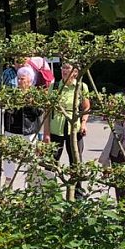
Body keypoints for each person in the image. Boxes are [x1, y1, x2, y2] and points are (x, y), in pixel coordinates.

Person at [43, 62, 91, 197]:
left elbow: (86, 107)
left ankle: (77, 195)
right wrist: (46, 134)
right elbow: (47, 111)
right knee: (50, 163)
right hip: (55, 129)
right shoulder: (54, 86)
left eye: (67, 68)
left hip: (74, 130)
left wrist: (84, 123)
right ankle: (50, 195)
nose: (64, 71)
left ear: (75, 72)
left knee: (76, 163)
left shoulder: (81, 87)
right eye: (63, 68)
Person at [1, 65, 43, 186]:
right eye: (18, 78)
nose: (19, 81)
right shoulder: (12, 93)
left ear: (30, 81)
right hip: (12, 129)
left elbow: (39, 112)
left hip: (28, 130)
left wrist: (31, 104)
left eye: (22, 79)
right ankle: (8, 182)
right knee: (9, 158)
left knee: (29, 158)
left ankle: (29, 184)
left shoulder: (35, 95)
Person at [99, 77, 125, 202]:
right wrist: (108, 109)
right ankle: (123, 213)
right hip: (119, 143)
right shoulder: (120, 96)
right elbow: (105, 115)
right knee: (120, 181)